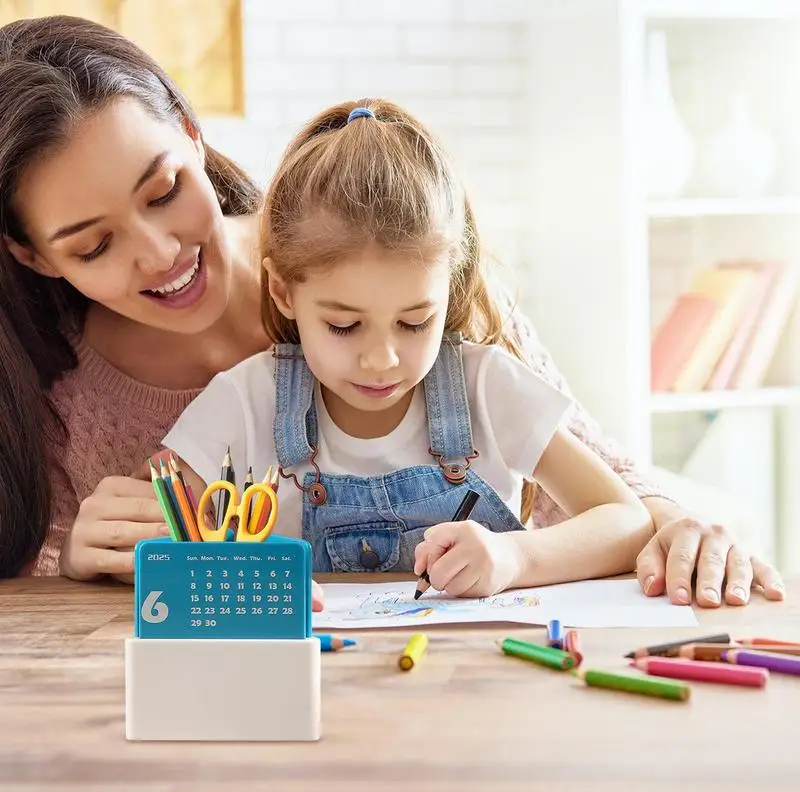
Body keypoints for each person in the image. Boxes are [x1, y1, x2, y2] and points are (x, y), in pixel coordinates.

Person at [0, 17, 782, 607]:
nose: (159, 251)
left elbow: (616, 492)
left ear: (193, 133)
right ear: (33, 255)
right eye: (93, 244)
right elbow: (92, 604)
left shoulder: (386, 251)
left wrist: (676, 528)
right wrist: (76, 564)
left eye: (164, 190)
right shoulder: (61, 398)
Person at [161, 99, 782, 605]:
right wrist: (252, 583)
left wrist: (515, 556)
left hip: (483, 690)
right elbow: (163, 546)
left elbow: (624, 519)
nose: (383, 359)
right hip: (315, 691)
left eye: (414, 322)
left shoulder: (486, 387)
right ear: (283, 292)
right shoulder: (244, 403)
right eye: (345, 327)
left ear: (449, 290)